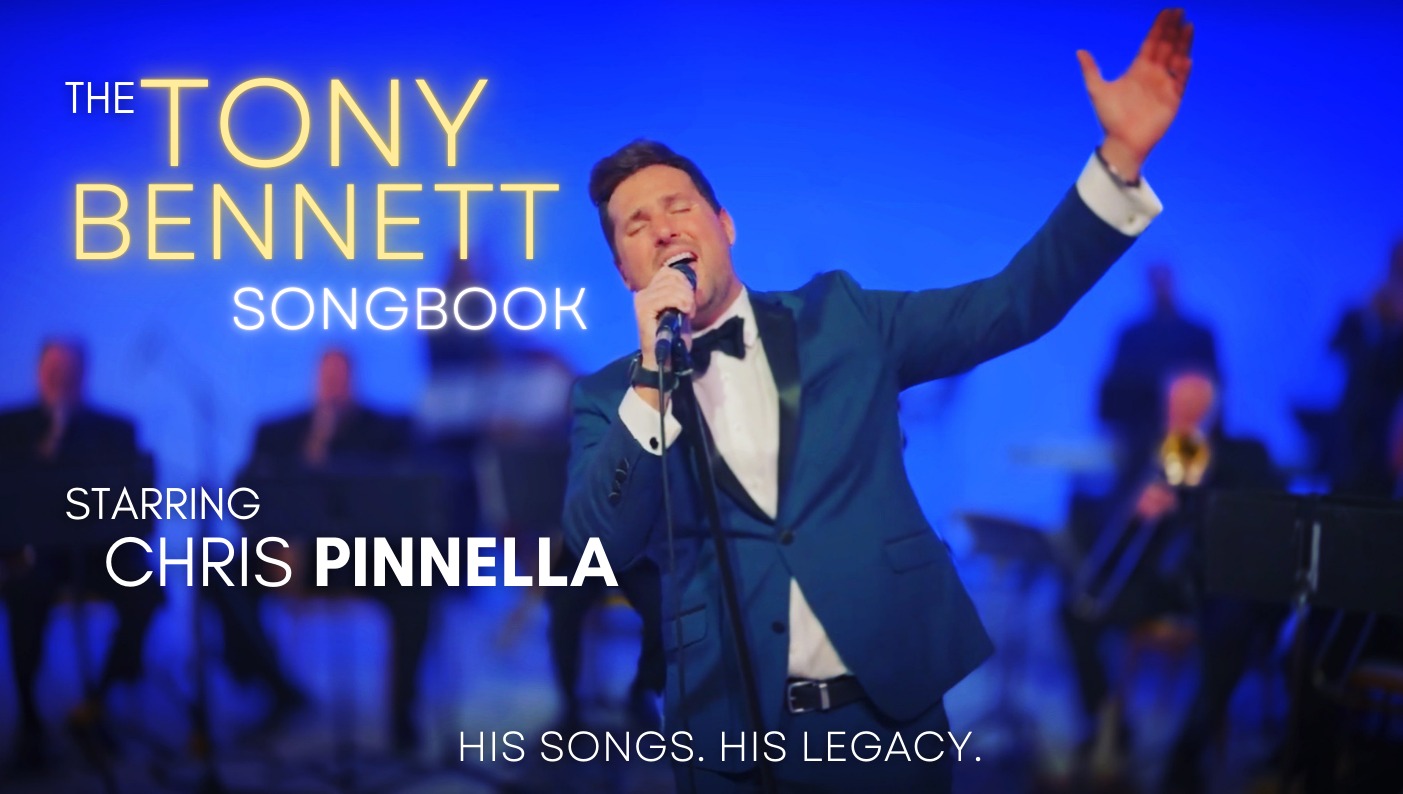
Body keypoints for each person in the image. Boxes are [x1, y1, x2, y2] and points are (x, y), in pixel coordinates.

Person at [562, 10, 1194, 792]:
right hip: (726, 740)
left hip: (885, 722)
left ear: (724, 224)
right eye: (635, 225)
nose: (661, 230)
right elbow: (597, 541)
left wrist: (1119, 159)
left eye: (678, 206)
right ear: (623, 270)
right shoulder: (608, 400)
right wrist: (652, 383)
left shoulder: (844, 320)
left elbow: (1010, 305)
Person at [1058, 372, 1283, 789]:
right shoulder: (1149, 450)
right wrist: (1136, 506)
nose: (1182, 418)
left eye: (1193, 409)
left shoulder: (1245, 455)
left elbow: (1263, 522)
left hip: (1216, 585)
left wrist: (1202, 491)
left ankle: (1187, 756)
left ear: (1214, 411)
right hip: (1160, 583)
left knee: (1231, 632)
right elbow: (1108, 516)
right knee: (1076, 609)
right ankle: (1108, 725)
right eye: (1176, 408)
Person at [238, 348, 426, 750]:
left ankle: (402, 716)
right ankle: (279, 691)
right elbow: (246, 498)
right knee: (218, 574)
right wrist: (274, 541)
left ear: (355, 380)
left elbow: (406, 501)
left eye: (341, 377)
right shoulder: (276, 431)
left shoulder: (388, 430)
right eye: (327, 377)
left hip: (361, 557)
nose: (334, 386)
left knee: (419, 579)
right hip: (285, 554)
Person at [0, 339, 162, 772]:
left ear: (84, 374)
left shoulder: (116, 429)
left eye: (69, 371)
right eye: (53, 370)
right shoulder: (9, 427)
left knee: (146, 591)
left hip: (99, 552)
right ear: (39, 372)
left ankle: (95, 706)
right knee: (23, 592)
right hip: (34, 554)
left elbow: (137, 506)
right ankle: (29, 722)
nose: (61, 379)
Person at [1099, 262, 1219, 486]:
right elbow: (1114, 388)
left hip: (1194, 442)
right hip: (1139, 436)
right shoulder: (1133, 336)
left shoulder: (1198, 334)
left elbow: (1216, 383)